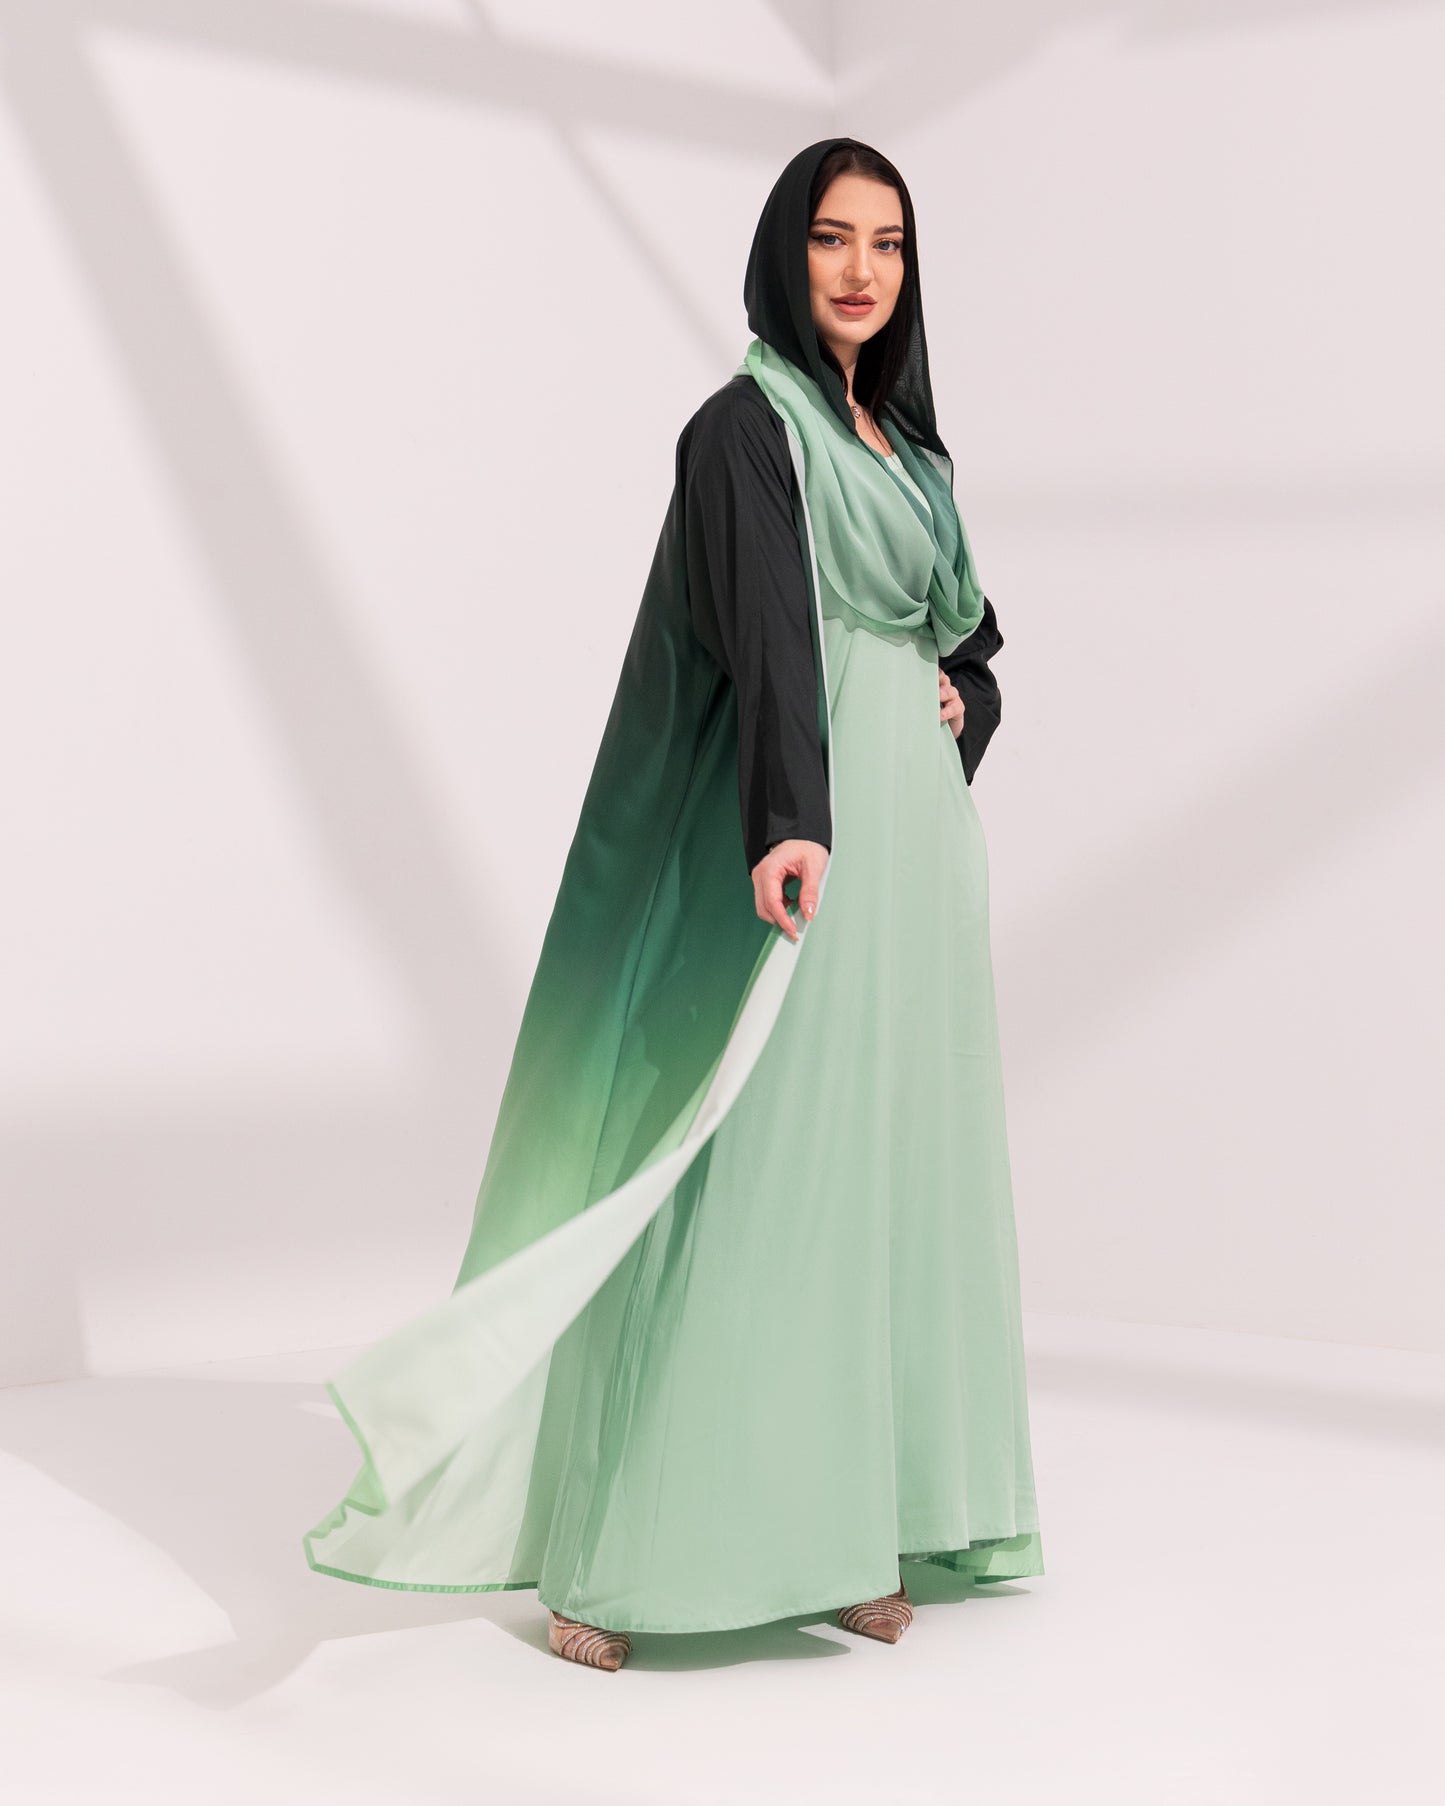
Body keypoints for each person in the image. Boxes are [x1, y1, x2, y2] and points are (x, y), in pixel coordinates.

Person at [302, 136, 1043, 1670]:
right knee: (751, 1169)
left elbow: (964, 634)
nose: (860, 269)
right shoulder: (745, 430)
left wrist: (960, 701)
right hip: (813, 837)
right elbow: (767, 635)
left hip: (920, 853)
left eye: (887, 243)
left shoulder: (910, 448)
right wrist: (788, 819)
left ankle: (849, 1529)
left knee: (879, 1184)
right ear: (785, 251)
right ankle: (619, 1559)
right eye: (832, 237)